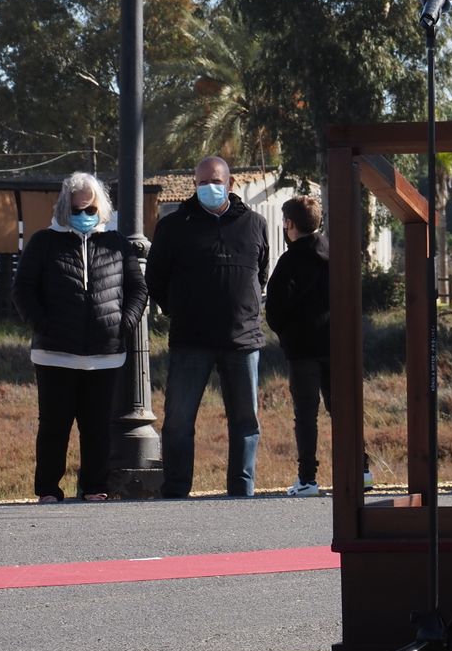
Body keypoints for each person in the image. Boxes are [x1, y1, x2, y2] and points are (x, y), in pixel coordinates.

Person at [12, 173, 148, 504]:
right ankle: (48, 489)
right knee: (54, 427)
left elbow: (137, 289)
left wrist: (124, 324)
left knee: (97, 426)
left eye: (89, 209)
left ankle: (94, 487)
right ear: (64, 206)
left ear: (100, 207)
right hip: (54, 354)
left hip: (105, 354)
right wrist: (43, 324)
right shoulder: (44, 242)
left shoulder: (116, 243)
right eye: (77, 209)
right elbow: (23, 290)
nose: (83, 215)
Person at [148, 156, 270, 499]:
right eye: (201, 183)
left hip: (242, 339)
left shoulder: (254, 223)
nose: (209, 188)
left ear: (229, 183)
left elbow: (261, 273)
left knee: (246, 423)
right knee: (178, 421)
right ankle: (175, 491)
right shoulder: (174, 226)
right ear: (194, 186)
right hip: (191, 339)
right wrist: (179, 309)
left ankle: (242, 492)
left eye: (215, 181)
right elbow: (155, 278)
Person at [266, 196, 370, 496]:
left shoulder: (289, 262)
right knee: (344, 410)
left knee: (306, 414)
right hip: (338, 345)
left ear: (290, 224)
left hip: (302, 349)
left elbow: (274, 310)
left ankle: (308, 478)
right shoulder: (336, 254)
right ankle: (361, 470)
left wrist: (286, 330)